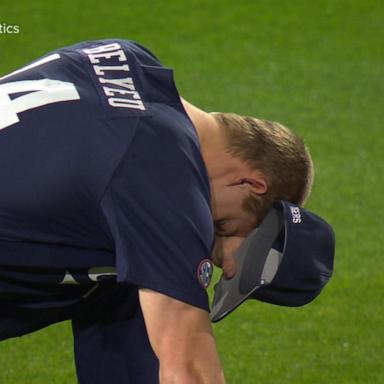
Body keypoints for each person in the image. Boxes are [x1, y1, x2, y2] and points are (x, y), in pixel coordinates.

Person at [0, 39, 313, 383]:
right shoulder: (164, 178)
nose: (211, 243)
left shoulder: (124, 57)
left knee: (137, 267)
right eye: (224, 226)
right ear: (251, 184)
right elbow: (189, 372)